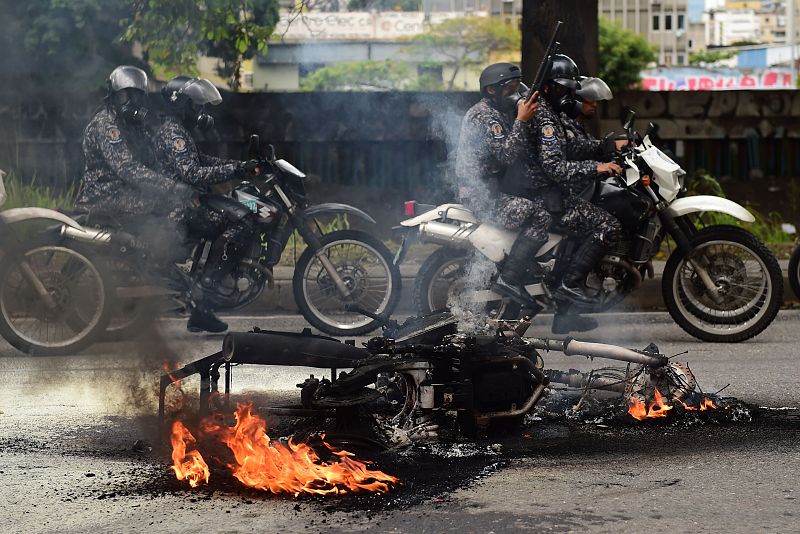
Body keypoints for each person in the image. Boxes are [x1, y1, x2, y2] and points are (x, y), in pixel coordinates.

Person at [518, 55, 622, 333]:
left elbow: (571, 149)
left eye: (570, 89)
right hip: (545, 197)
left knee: (582, 230)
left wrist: (606, 147)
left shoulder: (550, 113)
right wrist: (598, 167)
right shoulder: (544, 117)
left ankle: (565, 315)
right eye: (563, 89)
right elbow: (554, 166)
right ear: (550, 88)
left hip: (551, 193)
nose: (568, 95)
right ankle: (569, 286)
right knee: (608, 225)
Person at [152, 76, 259, 333]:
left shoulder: (177, 130)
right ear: (182, 105)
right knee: (244, 220)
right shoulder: (173, 133)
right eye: (196, 107)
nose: (201, 113)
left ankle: (201, 312)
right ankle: (206, 287)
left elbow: (201, 160)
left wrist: (238, 167)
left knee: (234, 208)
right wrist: (234, 169)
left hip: (185, 201)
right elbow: (192, 173)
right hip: (179, 208)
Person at [454, 62, 545, 309]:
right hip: (482, 195)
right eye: (510, 88)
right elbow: (506, 155)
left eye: (518, 86)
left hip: (494, 189)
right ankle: (510, 279)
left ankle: (528, 272)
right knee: (539, 216)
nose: (516, 93)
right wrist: (522, 120)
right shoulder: (485, 116)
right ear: (492, 90)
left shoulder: (499, 113)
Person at [74, 65, 190, 222]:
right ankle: (164, 246)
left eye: (137, 96)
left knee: (184, 202)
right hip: (104, 197)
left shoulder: (133, 126)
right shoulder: (105, 124)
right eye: (125, 96)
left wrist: (183, 179)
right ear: (113, 96)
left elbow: (153, 162)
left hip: (126, 192)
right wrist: (172, 187)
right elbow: (126, 168)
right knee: (174, 204)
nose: (132, 102)